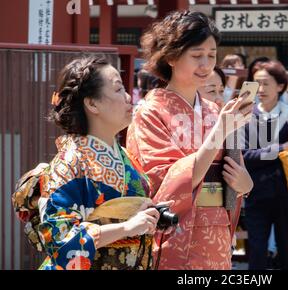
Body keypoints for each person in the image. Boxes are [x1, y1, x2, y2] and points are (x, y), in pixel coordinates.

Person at [12, 56, 173, 270]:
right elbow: (61, 242)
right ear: (92, 103)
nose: (128, 97)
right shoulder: (69, 164)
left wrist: (151, 217)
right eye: (118, 89)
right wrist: (126, 227)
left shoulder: (126, 156)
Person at [126, 10, 254, 270]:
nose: (206, 65)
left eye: (211, 55)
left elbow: (235, 175)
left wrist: (245, 184)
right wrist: (219, 132)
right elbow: (163, 182)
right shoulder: (150, 111)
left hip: (217, 232)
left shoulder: (215, 110)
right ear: (172, 56)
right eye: (196, 56)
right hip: (176, 233)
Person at [242, 60, 288, 270]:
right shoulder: (247, 116)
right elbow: (246, 156)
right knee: (256, 249)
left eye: (266, 83)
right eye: (256, 83)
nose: (261, 89)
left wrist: (266, 153)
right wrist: (281, 149)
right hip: (256, 192)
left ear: (281, 86)